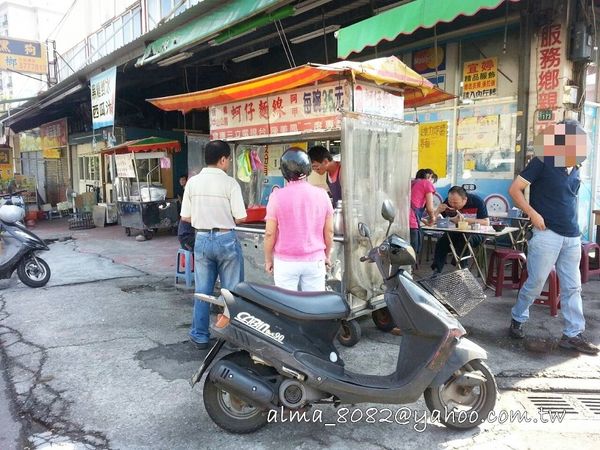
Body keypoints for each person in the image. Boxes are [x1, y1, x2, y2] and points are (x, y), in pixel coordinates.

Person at [508, 120, 598, 354]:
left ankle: (573, 334)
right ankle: (518, 317)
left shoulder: (576, 166)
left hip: (572, 236)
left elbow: (570, 199)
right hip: (547, 233)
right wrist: (533, 214)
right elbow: (515, 189)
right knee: (536, 282)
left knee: (572, 287)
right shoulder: (542, 161)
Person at [180, 140, 247, 349]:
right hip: (226, 239)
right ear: (223, 159)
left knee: (203, 291)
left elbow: (186, 216)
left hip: (201, 238)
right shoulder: (230, 184)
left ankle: (200, 335)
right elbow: (240, 217)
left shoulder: (192, 183)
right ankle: (231, 337)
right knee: (232, 291)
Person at [264, 147, 334, 291]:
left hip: (285, 262)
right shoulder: (322, 195)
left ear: (284, 172)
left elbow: (269, 234)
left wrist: (268, 259)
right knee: (314, 306)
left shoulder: (276, 197)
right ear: (308, 168)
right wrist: (326, 256)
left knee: (286, 306)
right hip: (315, 261)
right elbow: (329, 232)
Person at [431, 185, 489, 273]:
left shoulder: (477, 202)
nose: (452, 205)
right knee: (441, 242)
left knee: (464, 239)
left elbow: (486, 222)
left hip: (476, 233)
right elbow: (432, 221)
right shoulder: (448, 202)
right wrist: (437, 211)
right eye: (450, 202)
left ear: (465, 199)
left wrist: (465, 220)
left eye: (455, 203)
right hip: (456, 232)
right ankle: (436, 270)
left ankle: (460, 268)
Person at [409, 168, 436, 253]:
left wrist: (423, 220)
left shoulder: (411, 183)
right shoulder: (426, 183)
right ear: (430, 177)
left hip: (402, 221)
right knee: (412, 253)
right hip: (412, 224)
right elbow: (430, 208)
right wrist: (432, 219)